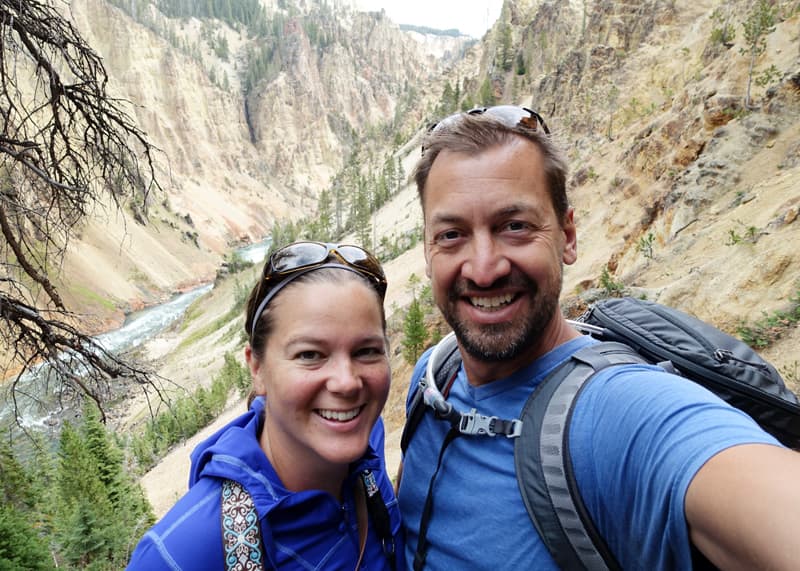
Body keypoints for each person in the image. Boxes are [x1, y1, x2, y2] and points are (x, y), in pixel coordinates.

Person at [396, 105, 800, 570]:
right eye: (451, 234)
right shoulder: (434, 378)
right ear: (427, 251)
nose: (484, 268)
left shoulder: (625, 411)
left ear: (567, 236)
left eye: (515, 227)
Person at [128, 241, 403, 570]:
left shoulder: (367, 453)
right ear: (256, 368)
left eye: (367, 351)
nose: (346, 382)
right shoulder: (178, 556)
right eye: (310, 355)